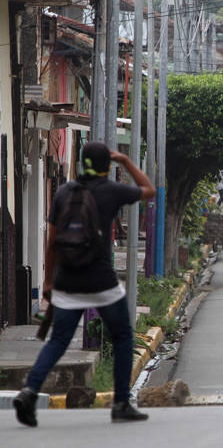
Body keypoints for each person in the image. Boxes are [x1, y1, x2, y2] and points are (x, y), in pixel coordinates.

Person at [14, 142, 155, 427]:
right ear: (107, 165)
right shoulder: (112, 191)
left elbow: (53, 242)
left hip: (68, 281)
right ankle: (121, 403)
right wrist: (125, 161)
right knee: (123, 337)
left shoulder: (64, 192)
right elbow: (149, 190)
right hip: (101, 282)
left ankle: (29, 391)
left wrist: (50, 281)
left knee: (58, 341)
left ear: (81, 162)